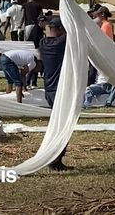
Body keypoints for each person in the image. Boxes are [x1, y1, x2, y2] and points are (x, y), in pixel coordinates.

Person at [40, 18, 71, 171]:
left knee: (58, 124)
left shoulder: (42, 43)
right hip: (60, 90)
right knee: (64, 126)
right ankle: (56, 159)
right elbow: (72, 32)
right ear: (59, 29)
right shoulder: (61, 43)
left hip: (49, 90)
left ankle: (55, 158)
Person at [26, 15, 48, 89]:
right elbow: (35, 41)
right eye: (45, 22)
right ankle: (27, 82)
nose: (46, 24)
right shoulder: (37, 29)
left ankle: (33, 83)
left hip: (35, 49)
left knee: (35, 66)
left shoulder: (40, 29)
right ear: (41, 22)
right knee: (34, 66)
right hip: (34, 49)